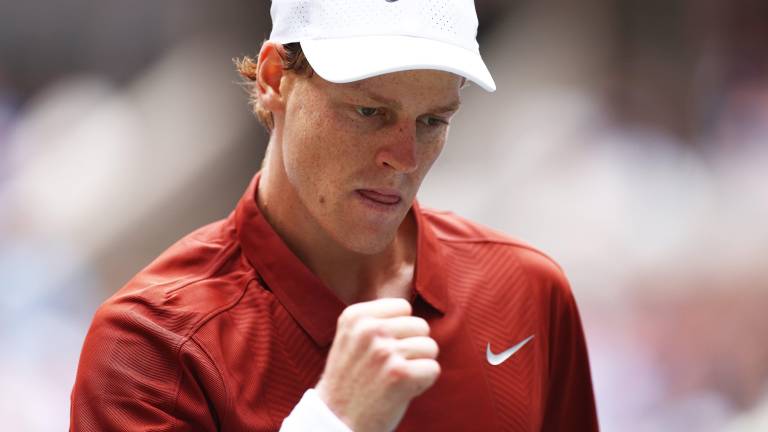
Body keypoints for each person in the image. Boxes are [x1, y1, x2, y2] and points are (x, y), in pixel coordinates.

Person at [70, 0, 599, 430]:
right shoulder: (148, 346)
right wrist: (334, 421)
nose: (405, 156)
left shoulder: (528, 291)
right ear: (274, 79)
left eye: (433, 120)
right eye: (370, 112)